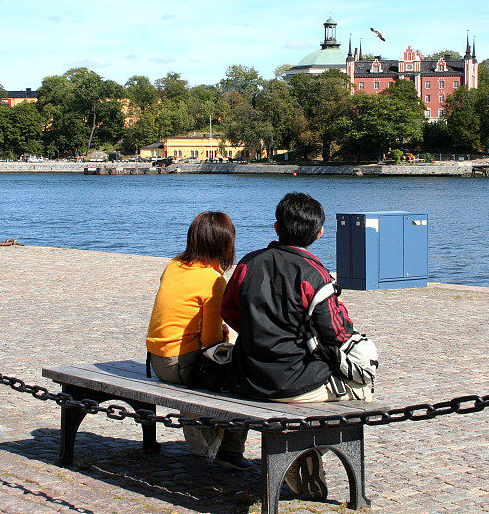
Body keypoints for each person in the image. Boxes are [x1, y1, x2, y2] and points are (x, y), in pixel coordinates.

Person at [220, 192, 373, 498]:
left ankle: (281, 453)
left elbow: (229, 310)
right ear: (320, 233)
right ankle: (302, 452)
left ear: (276, 228)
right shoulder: (314, 273)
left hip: (249, 376)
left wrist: (257, 332)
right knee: (363, 385)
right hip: (294, 381)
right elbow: (335, 333)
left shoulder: (249, 264)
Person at [146, 211, 250, 470]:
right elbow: (211, 341)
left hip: (157, 360)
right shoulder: (213, 281)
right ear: (225, 245)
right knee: (244, 378)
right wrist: (226, 335)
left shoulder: (173, 265)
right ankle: (229, 451)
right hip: (180, 365)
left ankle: (198, 441)